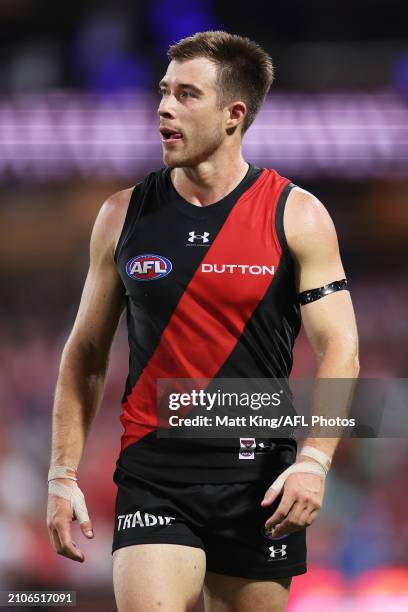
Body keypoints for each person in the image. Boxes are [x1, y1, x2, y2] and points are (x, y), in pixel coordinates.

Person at [46, 31, 359, 612]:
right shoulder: (123, 215)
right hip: (155, 476)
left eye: (187, 95)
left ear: (233, 114)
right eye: (164, 91)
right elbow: (84, 354)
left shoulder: (296, 214)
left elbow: (341, 347)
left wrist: (315, 462)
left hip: (260, 481)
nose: (164, 107)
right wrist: (61, 475)